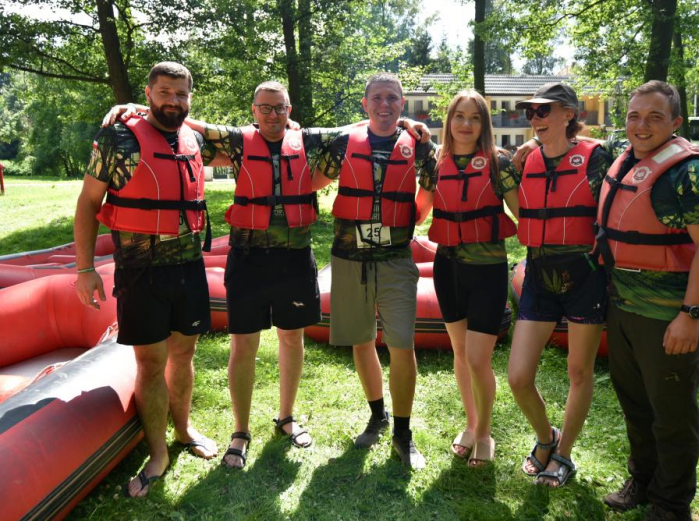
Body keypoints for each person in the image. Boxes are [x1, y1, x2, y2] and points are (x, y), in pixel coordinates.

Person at [103, 82, 429, 468]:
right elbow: (188, 123)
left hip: (294, 257)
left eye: (280, 108)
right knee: (244, 346)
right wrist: (138, 108)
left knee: (292, 340)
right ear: (254, 109)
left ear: (290, 109)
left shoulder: (308, 139)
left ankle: (287, 417)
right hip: (247, 258)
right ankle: (240, 430)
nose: (273, 115)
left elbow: (367, 126)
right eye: (265, 108)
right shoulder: (239, 142)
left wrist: (405, 120)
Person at [75, 62, 221, 498]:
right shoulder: (117, 136)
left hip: (189, 268)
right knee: (152, 363)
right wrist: (84, 269)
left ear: (190, 97)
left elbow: (263, 133)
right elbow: (87, 204)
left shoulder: (193, 138)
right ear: (149, 92)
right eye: (164, 92)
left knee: (185, 354)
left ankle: (183, 430)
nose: (172, 100)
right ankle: (157, 452)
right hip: (141, 272)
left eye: (181, 93)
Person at [595, 81, 699, 521]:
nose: (642, 125)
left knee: (671, 415)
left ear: (675, 123)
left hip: (668, 316)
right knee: (635, 406)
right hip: (623, 309)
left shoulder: (690, 171)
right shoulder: (627, 161)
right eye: (634, 116)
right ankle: (644, 481)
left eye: (654, 117)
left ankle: (672, 506)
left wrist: (690, 316)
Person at [314, 72, 436, 469]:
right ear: (365, 104)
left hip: (396, 260)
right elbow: (313, 178)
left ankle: (403, 432)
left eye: (394, 99)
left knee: (402, 344)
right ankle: (377, 415)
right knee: (361, 340)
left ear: (403, 104)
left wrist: (407, 219)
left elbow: (429, 191)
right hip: (349, 258)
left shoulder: (419, 146)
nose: (386, 105)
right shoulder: (343, 142)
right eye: (378, 98)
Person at [506, 83, 613, 487]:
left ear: (568, 113)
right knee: (518, 377)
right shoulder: (526, 159)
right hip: (539, 274)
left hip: (585, 276)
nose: (535, 118)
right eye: (529, 112)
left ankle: (563, 454)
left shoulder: (596, 157)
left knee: (578, 371)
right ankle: (545, 436)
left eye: (543, 110)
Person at [415, 90, 518, 466]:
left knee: (478, 359)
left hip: (488, 270)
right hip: (448, 268)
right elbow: (418, 213)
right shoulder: (434, 164)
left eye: (475, 118)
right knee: (460, 353)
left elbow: (524, 210)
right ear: (449, 120)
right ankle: (472, 424)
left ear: (484, 124)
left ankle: (486, 433)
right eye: (460, 116)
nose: (466, 124)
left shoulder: (498, 162)